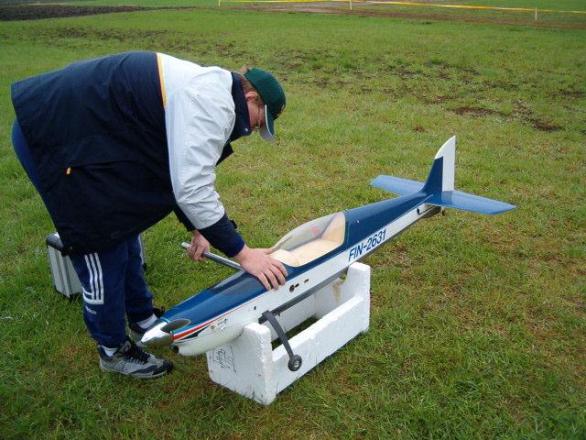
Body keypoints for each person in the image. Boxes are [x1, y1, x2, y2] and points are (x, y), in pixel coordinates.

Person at [10, 51, 288, 379]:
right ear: (251, 98)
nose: (254, 129)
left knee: (124, 225)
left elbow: (176, 168)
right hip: (53, 133)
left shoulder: (213, 93)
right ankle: (112, 351)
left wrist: (198, 228)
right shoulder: (212, 104)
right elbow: (192, 188)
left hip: (96, 136)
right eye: (259, 120)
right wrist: (244, 255)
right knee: (101, 239)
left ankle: (142, 319)